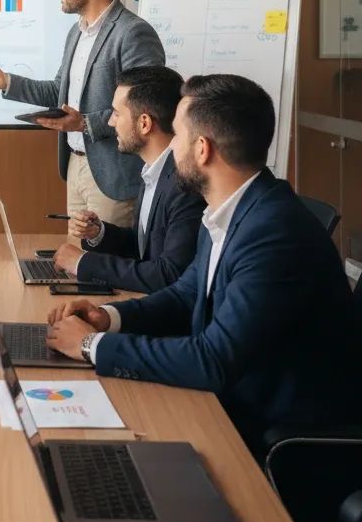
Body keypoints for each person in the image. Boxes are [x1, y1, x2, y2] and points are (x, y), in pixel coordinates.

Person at [45, 75, 361, 458]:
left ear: (202, 149)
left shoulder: (274, 234)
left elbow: (214, 359)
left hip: (278, 434)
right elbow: (186, 294)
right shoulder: (230, 210)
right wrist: (107, 317)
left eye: (176, 135)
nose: (169, 146)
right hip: (231, 402)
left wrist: (91, 345)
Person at [0, 0, 164, 229]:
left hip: (113, 173)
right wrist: (6, 82)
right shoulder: (77, 31)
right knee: (77, 261)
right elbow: (59, 91)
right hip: (75, 164)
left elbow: (144, 108)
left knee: (104, 263)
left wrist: (83, 123)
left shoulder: (133, 33)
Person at [52, 66, 202, 293]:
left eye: (116, 113)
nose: (111, 122)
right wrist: (99, 232)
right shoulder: (154, 170)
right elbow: (142, 248)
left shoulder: (183, 185)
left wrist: (82, 263)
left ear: (144, 123)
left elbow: (169, 275)